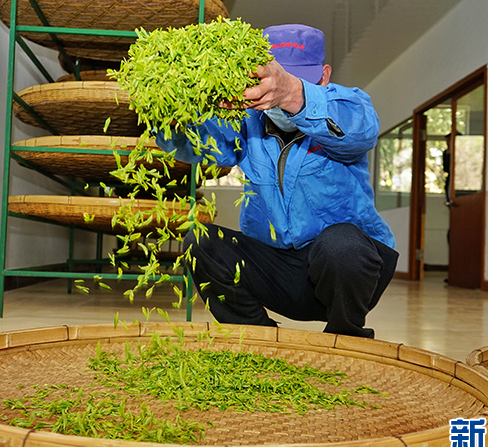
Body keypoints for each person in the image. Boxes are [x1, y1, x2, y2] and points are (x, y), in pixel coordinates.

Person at [155, 24, 398, 338]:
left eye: (294, 77)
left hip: (347, 273)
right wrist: (171, 117)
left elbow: (359, 132)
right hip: (278, 269)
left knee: (340, 244)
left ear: (324, 76)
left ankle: (345, 339)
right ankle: (260, 339)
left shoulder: (349, 104)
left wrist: (292, 93)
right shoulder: (246, 120)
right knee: (200, 243)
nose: (276, 97)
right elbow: (200, 146)